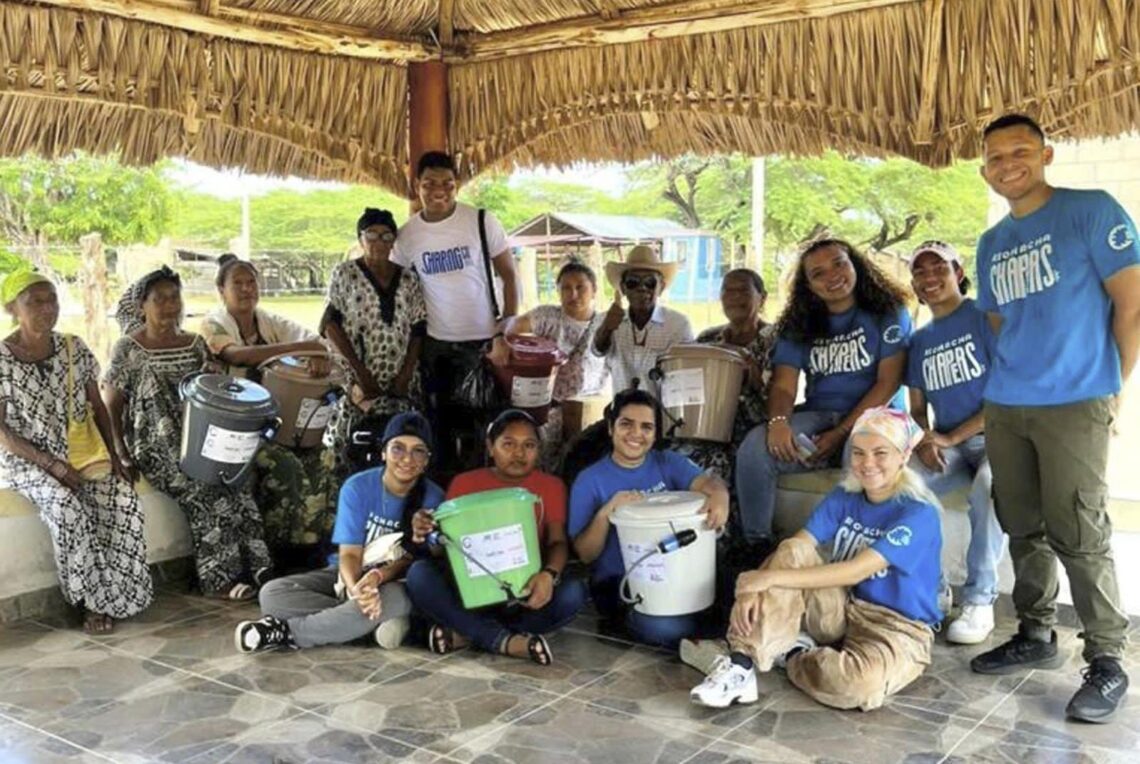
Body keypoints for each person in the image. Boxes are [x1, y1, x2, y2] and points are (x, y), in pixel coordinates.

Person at [969, 114, 1140, 723]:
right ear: (984, 170)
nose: (1007, 164)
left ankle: (1107, 660)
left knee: (1081, 533)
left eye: (1020, 151)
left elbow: (1131, 306)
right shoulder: (991, 243)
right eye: (995, 157)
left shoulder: (1091, 211)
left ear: (1045, 155)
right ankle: (1036, 632)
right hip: (1007, 403)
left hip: (1075, 400)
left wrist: (1113, 388)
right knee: (1021, 524)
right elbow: (999, 322)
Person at [690, 407, 942, 712]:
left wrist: (766, 579)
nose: (867, 463)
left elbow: (855, 571)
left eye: (880, 453)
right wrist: (752, 590)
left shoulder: (919, 514)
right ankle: (740, 665)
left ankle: (794, 654)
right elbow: (795, 549)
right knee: (792, 550)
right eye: (858, 453)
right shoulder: (845, 495)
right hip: (843, 605)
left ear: (903, 456)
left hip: (897, 626)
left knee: (858, 686)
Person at [103, 267, 271, 601]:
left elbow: (215, 393)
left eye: (174, 298)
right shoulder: (128, 348)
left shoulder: (195, 344)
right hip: (156, 447)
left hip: (200, 441)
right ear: (142, 305)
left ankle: (259, 568)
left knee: (239, 486)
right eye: (159, 299)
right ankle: (218, 579)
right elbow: (111, 404)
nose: (169, 306)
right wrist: (119, 453)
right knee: (203, 491)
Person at [735, 239, 913, 550]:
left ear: (855, 264)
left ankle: (862, 555)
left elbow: (888, 383)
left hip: (877, 418)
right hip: (820, 415)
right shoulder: (798, 324)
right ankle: (756, 546)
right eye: (818, 273)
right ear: (808, 285)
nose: (832, 276)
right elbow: (784, 385)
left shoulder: (887, 312)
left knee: (860, 456)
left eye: (839, 264)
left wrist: (841, 433)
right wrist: (779, 422)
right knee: (755, 447)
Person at [0, 272, 152, 634]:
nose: (46, 308)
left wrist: (116, 455)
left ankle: (123, 596)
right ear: (12, 308)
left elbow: (97, 406)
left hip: (79, 453)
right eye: (34, 301)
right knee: (66, 509)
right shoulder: (1, 358)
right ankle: (90, 603)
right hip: (24, 460)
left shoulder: (74, 347)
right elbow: (1, 432)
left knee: (123, 502)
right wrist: (50, 464)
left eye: (51, 299)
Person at [235, 412, 444, 652]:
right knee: (271, 594)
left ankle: (288, 633)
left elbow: (417, 561)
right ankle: (369, 626)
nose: (407, 458)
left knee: (396, 598)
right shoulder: (357, 487)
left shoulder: (433, 498)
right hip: (347, 574)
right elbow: (350, 554)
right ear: (383, 452)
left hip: (395, 581)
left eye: (418, 451)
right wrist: (356, 591)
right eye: (398, 448)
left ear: (427, 460)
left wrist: (377, 578)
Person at [404, 409, 587, 665]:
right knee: (419, 574)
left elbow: (557, 542)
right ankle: (504, 640)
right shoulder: (465, 484)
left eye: (529, 445)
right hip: (472, 592)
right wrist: (426, 532)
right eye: (508, 444)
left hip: (524, 592)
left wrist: (548, 575)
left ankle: (469, 632)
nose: (519, 453)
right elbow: (445, 548)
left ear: (539, 450)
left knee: (573, 593)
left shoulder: (551, 486)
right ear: (491, 447)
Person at [201, 254, 337, 567]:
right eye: (237, 283)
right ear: (221, 290)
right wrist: (296, 349)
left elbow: (317, 342)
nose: (246, 289)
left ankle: (316, 547)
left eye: (251, 282)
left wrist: (316, 353)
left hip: (273, 424)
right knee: (284, 465)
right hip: (235, 429)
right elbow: (238, 356)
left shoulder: (268, 321)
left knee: (324, 459)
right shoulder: (214, 323)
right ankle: (282, 555)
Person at [569, 389, 729, 648]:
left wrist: (720, 497)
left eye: (646, 427)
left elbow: (709, 484)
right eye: (626, 424)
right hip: (622, 582)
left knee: (730, 591)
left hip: (679, 573)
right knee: (663, 627)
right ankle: (644, 624)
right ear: (610, 427)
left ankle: (702, 631)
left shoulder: (667, 462)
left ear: (655, 434)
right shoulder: (590, 480)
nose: (636, 434)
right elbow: (585, 554)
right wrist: (606, 512)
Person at [393, 153, 519, 475]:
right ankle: (445, 492)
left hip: (485, 345)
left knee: (487, 431)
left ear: (457, 185)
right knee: (440, 431)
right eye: (429, 184)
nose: (439, 191)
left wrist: (504, 331)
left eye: (447, 184)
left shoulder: (480, 221)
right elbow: (395, 284)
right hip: (436, 347)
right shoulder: (408, 236)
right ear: (416, 186)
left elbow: (509, 275)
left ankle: (486, 489)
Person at [905, 240, 1004, 645]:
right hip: (949, 446)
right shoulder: (920, 340)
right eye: (920, 271)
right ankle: (934, 589)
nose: (930, 277)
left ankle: (980, 600)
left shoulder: (984, 316)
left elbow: (1004, 392)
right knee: (905, 486)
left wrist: (949, 436)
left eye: (939, 268)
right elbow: (916, 408)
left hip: (998, 437)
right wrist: (923, 439)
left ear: (958, 273)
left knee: (990, 487)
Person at [323, 209, 428, 479]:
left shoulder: (409, 278)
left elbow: (418, 328)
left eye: (386, 236)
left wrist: (405, 375)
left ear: (394, 241)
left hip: (400, 383)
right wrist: (360, 374)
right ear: (360, 239)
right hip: (358, 381)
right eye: (371, 235)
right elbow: (330, 325)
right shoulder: (345, 273)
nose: (379, 242)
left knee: (401, 446)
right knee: (350, 448)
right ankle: (349, 497)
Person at [502, 260, 609, 466]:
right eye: (566, 288)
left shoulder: (605, 325)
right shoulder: (547, 316)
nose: (573, 294)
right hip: (550, 410)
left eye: (580, 287)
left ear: (594, 290)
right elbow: (513, 326)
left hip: (588, 409)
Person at [592, 245, 693, 396]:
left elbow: (685, 377)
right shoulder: (606, 320)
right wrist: (607, 327)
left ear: (661, 287)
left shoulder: (678, 324)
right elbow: (597, 351)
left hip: (662, 410)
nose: (642, 288)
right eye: (633, 282)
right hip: (621, 410)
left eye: (650, 282)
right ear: (623, 288)